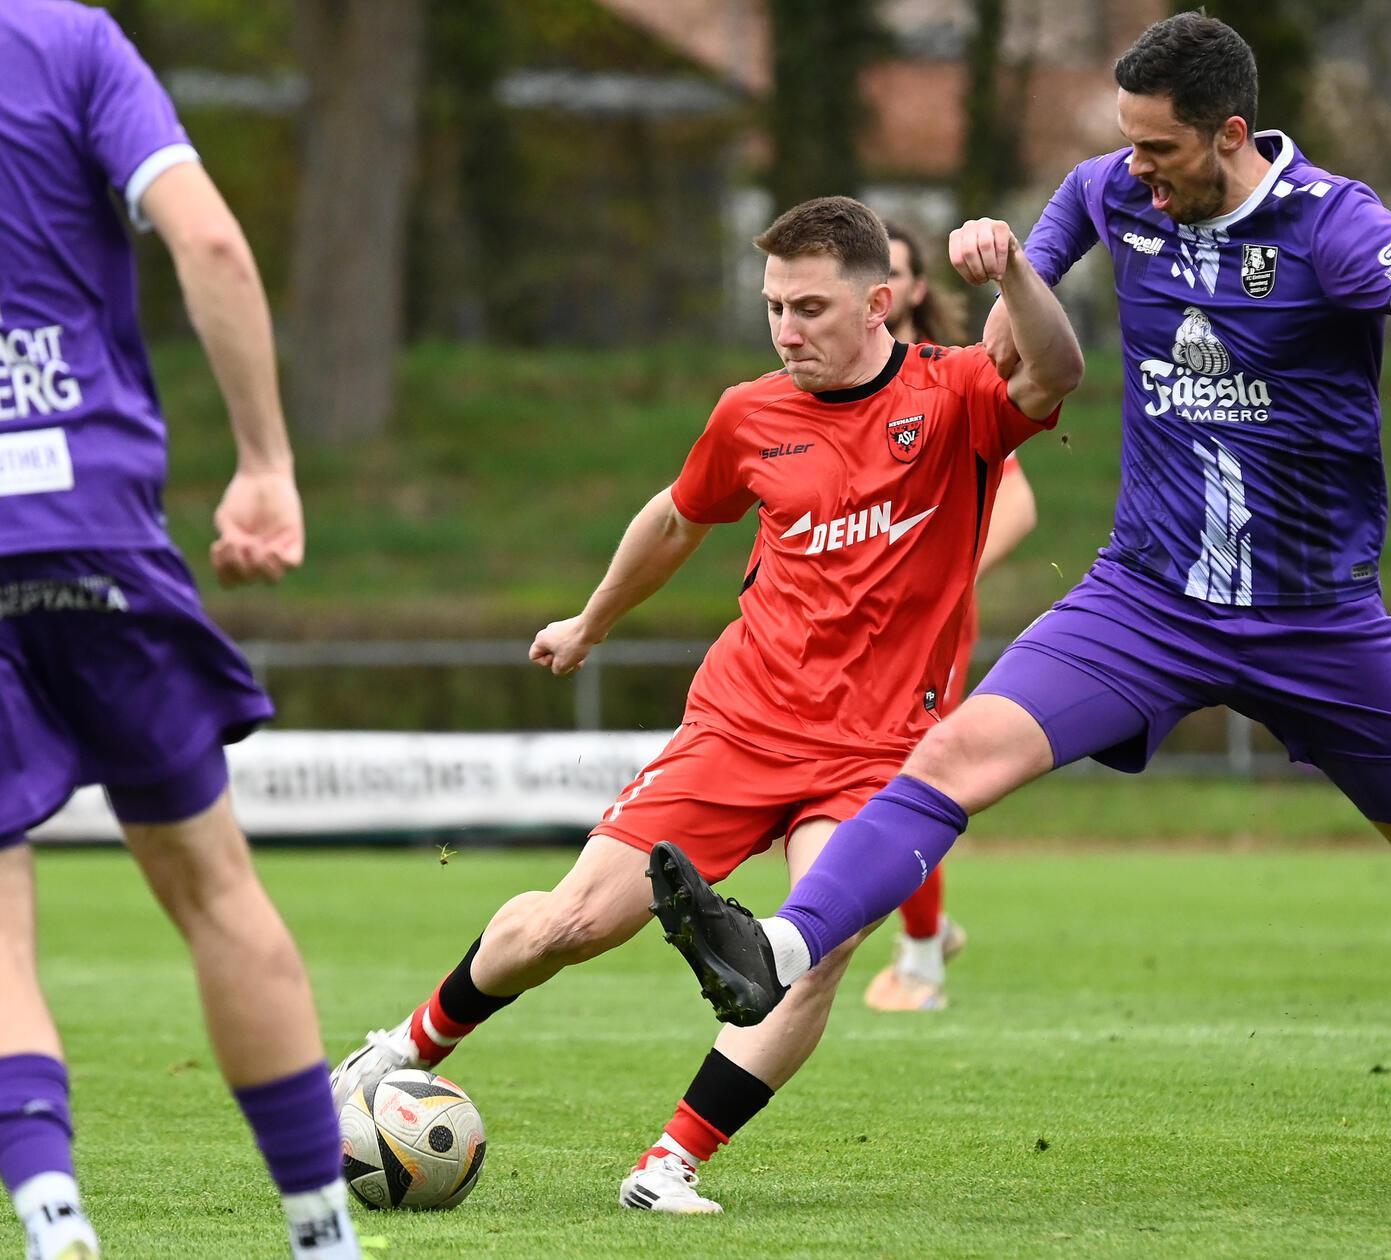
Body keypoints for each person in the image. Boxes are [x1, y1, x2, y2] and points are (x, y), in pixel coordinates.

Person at [651, 12, 1391, 1194]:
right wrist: (1004, 276)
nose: (1135, 171)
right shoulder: (1111, 191)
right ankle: (778, 945)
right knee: (954, 754)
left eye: (1159, 150)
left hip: (1312, 614)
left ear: (1231, 134)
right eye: (1128, 146)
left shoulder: (1333, 224)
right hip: (1147, 598)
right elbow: (1027, 312)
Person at [327, 196, 1082, 1214]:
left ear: (880, 303)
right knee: (571, 925)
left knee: (818, 945)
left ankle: (669, 1162)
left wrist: (1015, 277)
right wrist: (593, 620)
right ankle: (401, 1048)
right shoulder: (749, 415)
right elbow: (676, 520)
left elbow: (1056, 372)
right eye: (773, 306)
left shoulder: (952, 397)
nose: (786, 329)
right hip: (739, 728)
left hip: (878, 753)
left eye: (809, 307)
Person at [0, 4, 358, 1258]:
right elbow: (208, 239)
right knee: (212, 887)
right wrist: (264, 461)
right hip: (91, 523)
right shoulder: (72, 42)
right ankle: (322, 1233)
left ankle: (52, 1216)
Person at [865, 224, 1041, 1011]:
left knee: (907, 765)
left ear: (911, 288)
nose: (887, 286)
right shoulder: (830, 377)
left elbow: (1018, 500)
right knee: (873, 770)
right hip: (856, 616)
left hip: (926, 622)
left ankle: (922, 957)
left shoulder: (948, 379)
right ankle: (925, 930)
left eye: (898, 271)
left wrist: (947, 572)